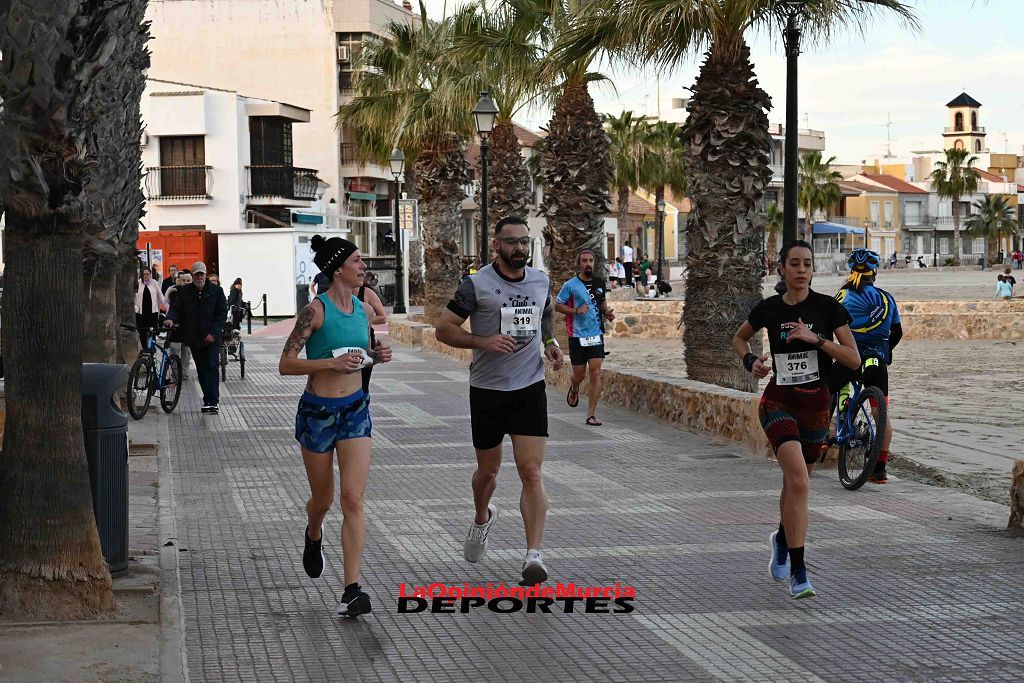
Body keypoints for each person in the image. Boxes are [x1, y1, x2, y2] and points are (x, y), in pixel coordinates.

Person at [434, 215, 564, 586]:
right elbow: (444, 329)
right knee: (487, 473)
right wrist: (482, 342)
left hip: (529, 389)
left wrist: (551, 344)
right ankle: (481, 516)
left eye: (525, 242)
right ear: (497, 246)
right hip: (488, 390)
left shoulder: (540, 280)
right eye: (512, 242)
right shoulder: (475, 285)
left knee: (531, 471)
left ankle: (533, 555)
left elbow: (547, 312)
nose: (520, 248)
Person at [732, 240, 860, 599]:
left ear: (813, 270)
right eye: (794, 264)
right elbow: (740, 339)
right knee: (800, 482)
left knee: (794, 483)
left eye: (807, 264)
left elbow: (853, 358)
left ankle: (782, 538)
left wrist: (816, 339)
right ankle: (800, 572)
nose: (801, 270)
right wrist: (750, 362)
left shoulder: (828, 307)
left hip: (817, 405)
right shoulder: (769, 309)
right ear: (782, 269)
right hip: (778, 402)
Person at [278, 235, 393, 618]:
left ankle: (351, 588)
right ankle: (313, 532)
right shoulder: (315, 311)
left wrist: (377, 356)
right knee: (324, 500)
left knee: (353, 500)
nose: (364, 267)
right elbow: (286, 364)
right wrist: (328, 363)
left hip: (356, 409)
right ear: (338, 267)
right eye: (358, 261)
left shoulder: (362, 310)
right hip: (318, 414)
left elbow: (362, 354)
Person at [830, 249, 903, 484]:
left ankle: (817, 439)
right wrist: (884, 353)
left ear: (852, 271)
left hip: (849, 359)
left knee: (824, 391)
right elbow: (897, 332)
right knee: (880, 414)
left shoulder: (842, 297)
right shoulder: (886, 298)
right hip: (877, 363)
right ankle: (879, 470)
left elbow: (830, 326)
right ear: (875, 273)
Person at [555, 249, 616, 426]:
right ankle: (574, 387)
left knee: (596, 372)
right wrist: (575, 311)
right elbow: (558, 305)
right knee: (579, 375)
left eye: (590, 260)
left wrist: (607, 312)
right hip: (577, 335)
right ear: (579, 264)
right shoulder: (571, 285)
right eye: (584, 261)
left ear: (594, 263)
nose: (588, 263)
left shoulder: (599, 282)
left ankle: (591, 415)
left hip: (596, 334)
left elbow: (602, 302)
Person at [165, 262, 227, 414]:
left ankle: (213, 401)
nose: (199, 277)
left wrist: (213, 333)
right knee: (202, 369)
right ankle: (207, 399)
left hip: (212, 337)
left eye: (202, 274)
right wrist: (170, 318)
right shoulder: (185, 291)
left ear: (205, 275)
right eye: (196, 274)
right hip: (194, 337)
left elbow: (222, 314)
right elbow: (176, 308)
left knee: (212, 365)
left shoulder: (217, 291)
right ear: (192, 276)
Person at [356, 277, 387, 395]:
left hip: (366, 338)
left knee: (364, 380)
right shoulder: (333, 295)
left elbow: (382, 317)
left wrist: (362, 320)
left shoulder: (366, 293)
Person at [163, 272, 194, 380]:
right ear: (180, 281)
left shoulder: (195, 292)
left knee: (186, 350)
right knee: (174, 348)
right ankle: (175, 372)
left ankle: (183, 372)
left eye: (188, 281)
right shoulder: (175, 292)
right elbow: (173, 308)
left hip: (189, 326)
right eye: (184, 280)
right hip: (176, 325)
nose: (186, 283)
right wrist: (170, 318)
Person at [134, 267, 164, 350]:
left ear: (150, 274)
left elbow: (160, 295)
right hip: (141, 312)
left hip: (152, 312)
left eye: (148, 274)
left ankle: (152, 346)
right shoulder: (138, 283)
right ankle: (144, 348)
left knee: (152, 331)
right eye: (144, 274)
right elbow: (133, 297)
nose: (146, 276)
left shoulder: (154, 283)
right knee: (142, 331)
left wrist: (166, 304)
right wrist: (135, 307)